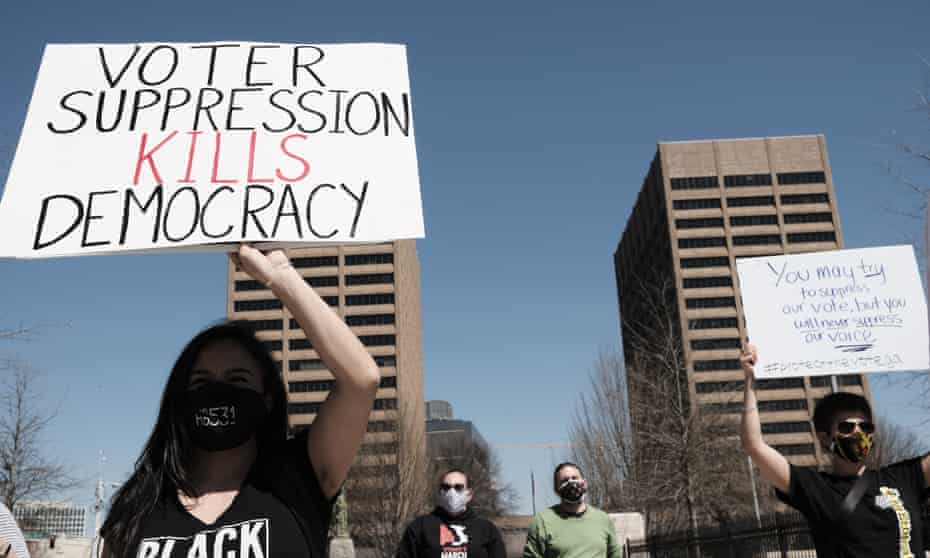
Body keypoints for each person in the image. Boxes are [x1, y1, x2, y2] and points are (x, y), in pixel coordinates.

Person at [100, 245, 381, 558]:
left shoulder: (300, 475)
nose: (219, 391)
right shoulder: (136, 508)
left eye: (238, 380)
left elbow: (362, 379)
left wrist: (279, 274)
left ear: (267, 397)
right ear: (180, 399)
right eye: (202, 382)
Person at [740, 343, 929, 557]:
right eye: (847, 427)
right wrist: (750, 380)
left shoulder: (904, 478)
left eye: (865, 427)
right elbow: (754, 445)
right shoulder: (818, 490)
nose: (858, 433)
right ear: (824, 437)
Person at [396, 469, 506, 558]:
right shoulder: (419, 527)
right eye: (446, 487)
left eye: (458, 487)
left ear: (469, 494)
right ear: (440, 492)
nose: (451, 492)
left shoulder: (486, 529)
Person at [522, 463, 621, 558]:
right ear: (556, 489)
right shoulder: (541, 522)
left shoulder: (603, 519)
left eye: (574, 478)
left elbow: (615, 554)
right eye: (564, 480)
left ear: (584, 483)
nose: (571, 483)